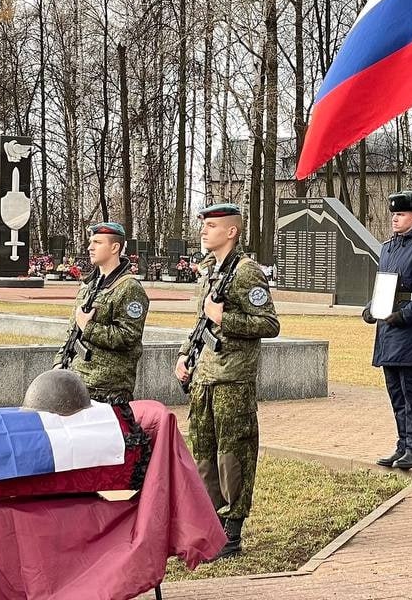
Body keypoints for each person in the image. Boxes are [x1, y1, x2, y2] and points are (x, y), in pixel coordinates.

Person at [175, 204, 280, 559]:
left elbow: (269, 324)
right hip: (205, 377)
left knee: (232, 454)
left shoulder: (247, 272)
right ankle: (212, 523)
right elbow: (202, 324)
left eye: (212, 226)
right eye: (204, 225)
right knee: (204, 452)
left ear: (232, 232)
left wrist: (227, 317)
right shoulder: (210, 271)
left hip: (233, 379)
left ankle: (232, 531)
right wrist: (184, 355)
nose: (204, 231)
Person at [364, 191, 412, 470]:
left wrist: (405, 315)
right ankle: (402, 443)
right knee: (395, 390)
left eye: (401, 214)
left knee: (410, 390)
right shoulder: (389, 247)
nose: (395, 218)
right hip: (387, 329)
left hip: (407, 330)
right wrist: (371, 307)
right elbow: (385, 284)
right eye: (394, 214)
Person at [52, 222, 150, 404]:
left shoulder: (129, 288)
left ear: (115, 247)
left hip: (107, 390)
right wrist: (60, 361)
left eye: (97, 242)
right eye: (91, 242)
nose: (90, 247)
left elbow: (129, 337)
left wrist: (89, 327)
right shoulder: (90, 285)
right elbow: (73, 331)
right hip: (77, 380)